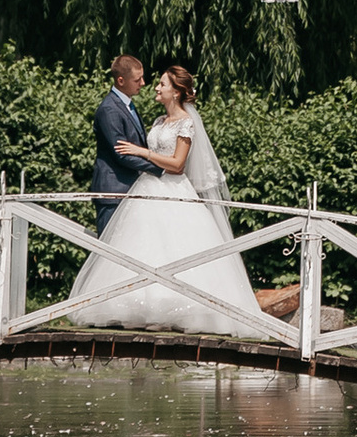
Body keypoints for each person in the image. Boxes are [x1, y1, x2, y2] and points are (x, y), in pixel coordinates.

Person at [69, 61, 277, 337]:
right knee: (141, 248)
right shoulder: (157, 121)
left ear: (176, 92)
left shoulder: (187, 124)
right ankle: (137, 309)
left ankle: (178, 308)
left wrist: (144, 154)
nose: (154, 86)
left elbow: (178, 164)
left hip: (173, 190)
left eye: (162, 84)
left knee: (176, 248)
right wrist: (149, 160)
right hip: (147, 190)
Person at [91, 55, 158, 234]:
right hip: (114, 193)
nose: (143, 83)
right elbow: (121, 154)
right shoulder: (109, 109)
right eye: (137, 79)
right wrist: (159, 167)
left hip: (130, 190)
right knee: (109, 249)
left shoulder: (127, 105)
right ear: (121, 80)